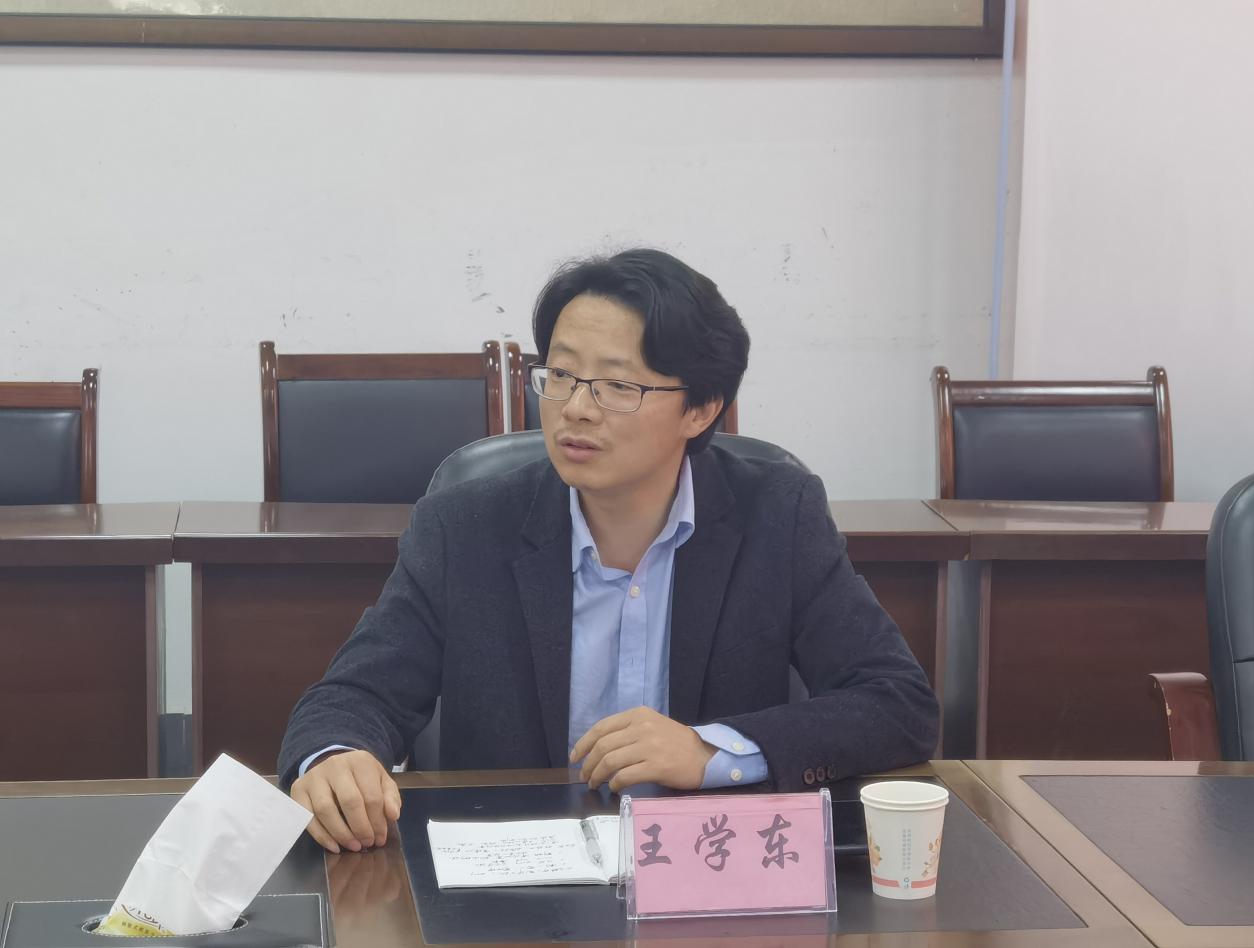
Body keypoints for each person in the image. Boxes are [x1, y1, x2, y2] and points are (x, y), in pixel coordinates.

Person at [279, 248, 938, 853]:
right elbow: (353, 696)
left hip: (707, 870)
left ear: (701, 409)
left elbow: (896, 703)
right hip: (512, 876)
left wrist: (713, 752)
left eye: (619, 386)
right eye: (562, 374)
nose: (576, 408)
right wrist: (336, 757)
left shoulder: (777, 517)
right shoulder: (466, 526)